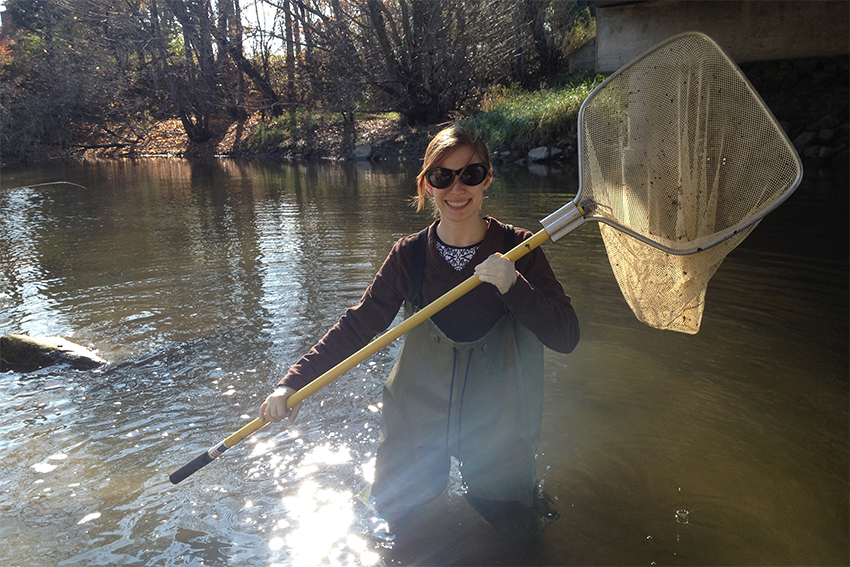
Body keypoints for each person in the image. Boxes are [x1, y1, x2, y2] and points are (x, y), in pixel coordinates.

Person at [260, 124, 579, 533]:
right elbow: (359, 324)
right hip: (417, 416)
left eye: (471, 173)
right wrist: (293, 382)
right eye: (442, 176)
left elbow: (566, 337)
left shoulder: (521, 249)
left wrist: (514, 285)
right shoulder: (408, 256)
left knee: (515, 534)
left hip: (497, 422)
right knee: (400, 528)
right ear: (427, 185)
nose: (457, 188)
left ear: (488, 178)